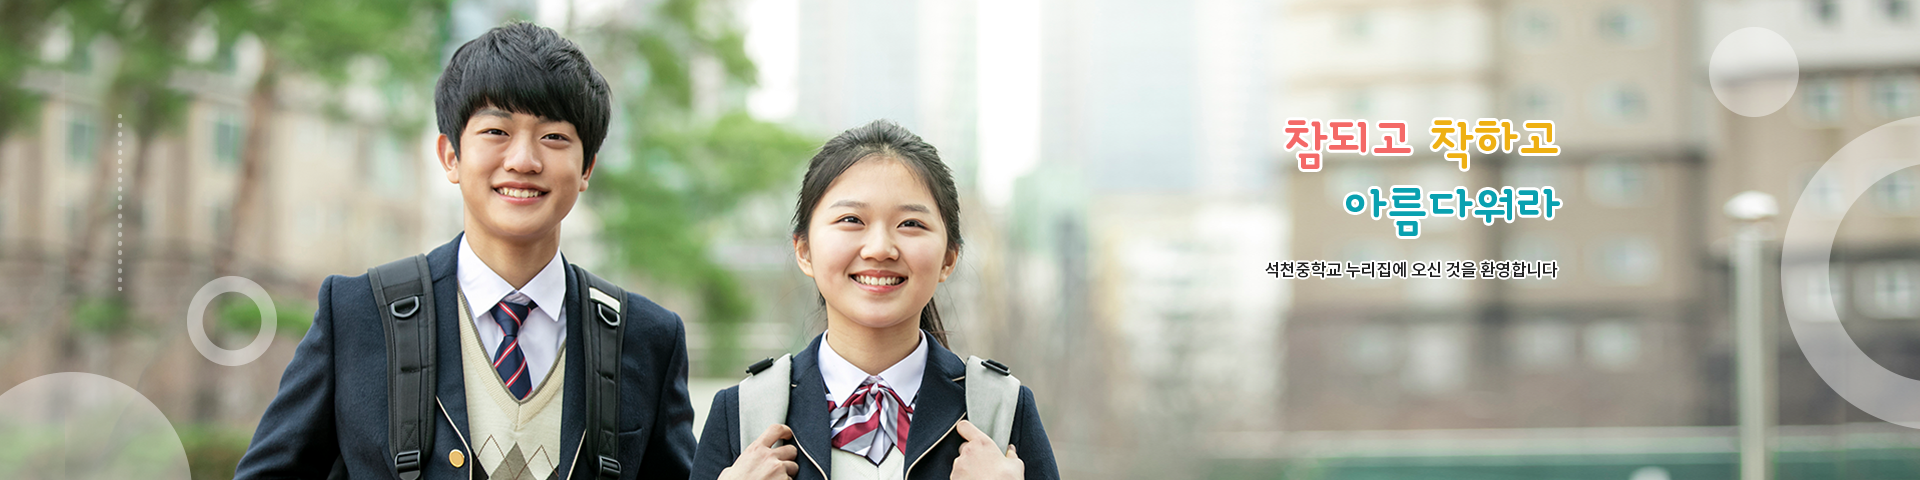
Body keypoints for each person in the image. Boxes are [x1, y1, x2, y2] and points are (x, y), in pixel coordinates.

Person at [234, 22, 696, 480]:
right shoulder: (358, 315)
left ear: (586, 167)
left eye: (554, 137)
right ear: (450, 156)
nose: (523, 161)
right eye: (496, 132)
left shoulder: (647, 338)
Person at [690, 120, 1059, 480]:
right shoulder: (743, 412)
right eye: (851, 219)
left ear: (949, 257)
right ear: (804, 250)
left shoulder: (1001, 409)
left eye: (911, 224)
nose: (880, 248)